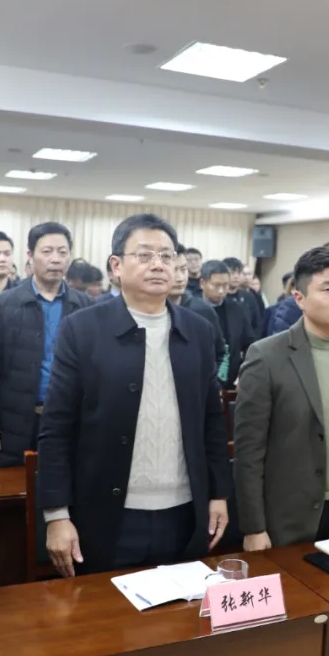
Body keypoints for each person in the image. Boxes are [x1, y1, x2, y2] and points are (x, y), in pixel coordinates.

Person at [38, 214, 231, 576]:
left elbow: (212, 421)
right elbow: (56, 428)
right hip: (108, 514)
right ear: (116, 266)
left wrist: (218, 493)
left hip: (185, 512)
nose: (158, 264)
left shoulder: (199, 331)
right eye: (144, 255)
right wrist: (56, 514)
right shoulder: (82, 330)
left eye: (167, 256)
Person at [234, 244, 329, 549]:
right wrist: (254, 527)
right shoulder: (266, 356)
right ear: (299, 299)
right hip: (291, 517)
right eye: (328, 290)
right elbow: (248, 452)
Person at [0, 222, 92, 468]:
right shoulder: (2, 305)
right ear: (30, 255)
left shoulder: (86, 307)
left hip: (70, 421)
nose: (55, 259)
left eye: (62, 252)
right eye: (47, 251)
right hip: (15, 424)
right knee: (15, 488)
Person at [169, 251, 227, 374]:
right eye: (174, 270)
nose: (180, 278)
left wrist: (215, 382)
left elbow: (220, 353)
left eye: (183, 270)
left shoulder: (202, 310)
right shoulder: (147, 311)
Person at [201, 260, 255, 388]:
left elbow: (250, 344)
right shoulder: (193, 309)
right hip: (200, 381)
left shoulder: (236, 309)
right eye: (216, 285)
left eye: (225, 285)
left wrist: (244, 371)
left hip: (231, 381)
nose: (221, 291)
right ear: (202, 283)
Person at [223, 256, 264, 337]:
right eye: (232, 273)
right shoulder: (220, 297)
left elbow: (257, 322)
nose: (236, 276)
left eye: (239, 273)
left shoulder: (249, 296)